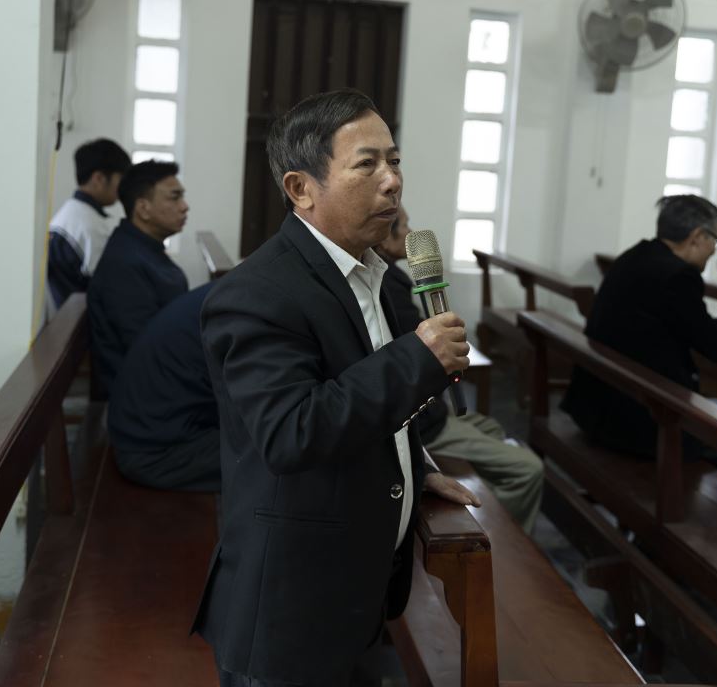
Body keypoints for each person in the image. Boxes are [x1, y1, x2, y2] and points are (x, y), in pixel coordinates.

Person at [194, 89, 479, 686]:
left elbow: (358, 394)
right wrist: (419, 358)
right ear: (301, 188)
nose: (392, 181)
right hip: (292, 612)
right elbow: (292, 431)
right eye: (366, 164)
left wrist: (413, 465)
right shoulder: (258, 293)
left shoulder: (371, 275)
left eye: (394, 161)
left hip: (357, 595)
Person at [562, 194, 717, 459]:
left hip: (599, 404)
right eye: (715, 240)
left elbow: (687, 324)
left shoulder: (636, 256)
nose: (714, 250)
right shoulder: (679, 276)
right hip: (639, 421)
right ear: (697, 237)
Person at [376, 207, 544, 532]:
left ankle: (485, 507)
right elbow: (422, 353)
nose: (410, 233)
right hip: (425, 425)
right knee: (528, 469)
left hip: (431, 412)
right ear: (385, 238)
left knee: (492, 429)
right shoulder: (388, 284)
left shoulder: (389, 277)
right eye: (404, 226)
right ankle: (496, 539)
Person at [88, 160, 190, 394]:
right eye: (174, 197)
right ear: (143, 209)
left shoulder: (141, 248)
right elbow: (146, 346)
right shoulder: (123, 264)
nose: (185, 207)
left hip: (161, 378)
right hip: (143, 394)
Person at [107, 283, 220, 492]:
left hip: (143, 432)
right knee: (271, 460)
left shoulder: (227, 294)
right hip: (154, 453)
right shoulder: (243, 306)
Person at [46, 138, 131, 311]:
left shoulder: (71, 214)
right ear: (99, 178)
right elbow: (106, 289)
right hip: (76, 318)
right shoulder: (88, 225)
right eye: (121, 179)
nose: (124, 188)